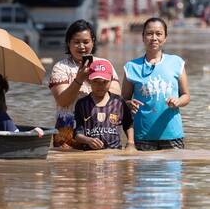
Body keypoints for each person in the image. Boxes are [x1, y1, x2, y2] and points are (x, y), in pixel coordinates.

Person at [49, 19, 121, 149]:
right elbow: (63, 101)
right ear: (68, 43)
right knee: (66, 167)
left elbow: (116, 97)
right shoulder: (60, 67)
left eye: (86, 42)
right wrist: (79, 80)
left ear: (93, 41)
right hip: (67, 131)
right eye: (76, 42)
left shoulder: (104, 65)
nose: (81, 46)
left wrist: (95, 83)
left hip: (100, 128)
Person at [122, 17, 190, 151]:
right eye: (149, 33)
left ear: (165, 38)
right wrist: (129, 104)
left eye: (158, 34)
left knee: (173, 171)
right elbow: (123, 100)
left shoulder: (177, 63)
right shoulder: (131, 67)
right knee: (145, 171)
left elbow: (186, 96)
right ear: (142, 37)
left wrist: (177, 101)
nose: (154, 38)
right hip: (143, 136)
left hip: (172, 134)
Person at [73, 59, 135, 151]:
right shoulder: (82, 104)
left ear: (111, 80)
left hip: (114, 153)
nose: (100, 86)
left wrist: (130, 143)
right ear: (89, 80)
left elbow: (128, 124)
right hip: (90, 153)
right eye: (96, 81)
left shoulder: (119, 102)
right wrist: (88, 140)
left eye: (104, 82)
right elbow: (77, 134)